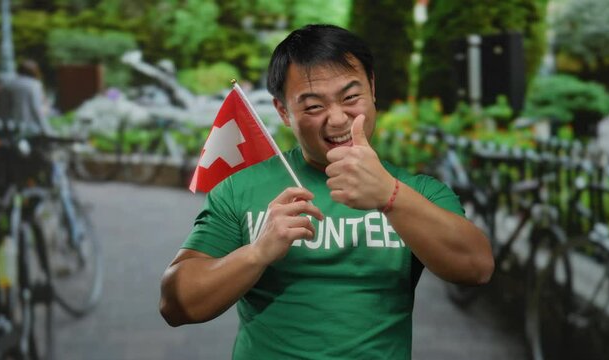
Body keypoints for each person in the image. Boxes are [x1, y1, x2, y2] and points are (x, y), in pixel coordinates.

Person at [160, 24, 494, 359]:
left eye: (351, 97)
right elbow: (176, 305)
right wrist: (258, 252)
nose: (337, 119)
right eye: (314, 106)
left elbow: (477, 267)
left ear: (373, 88)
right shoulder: (239, 189)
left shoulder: (419, 191)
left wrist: (390, 196)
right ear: (283, 112)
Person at [0, 59, 53, 137]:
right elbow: (36, 110)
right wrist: (47, 131)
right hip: (28, 129)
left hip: (6, 127)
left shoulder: (7, 85)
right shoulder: (34, 85)